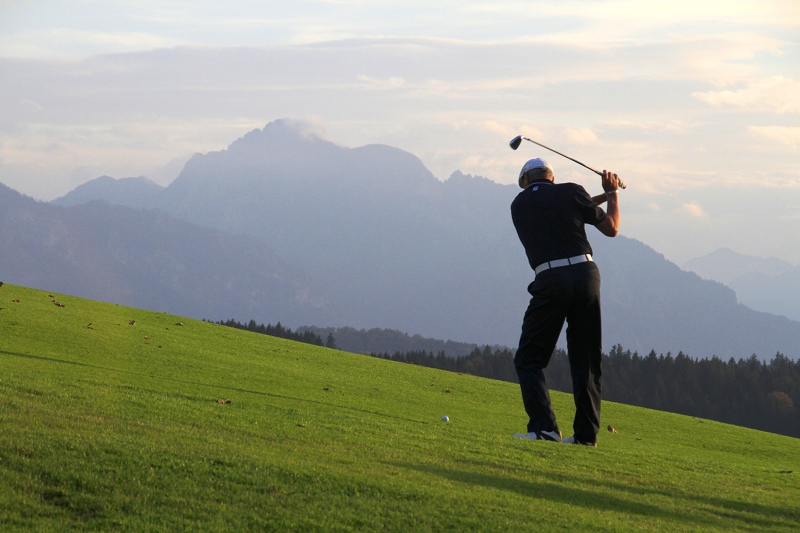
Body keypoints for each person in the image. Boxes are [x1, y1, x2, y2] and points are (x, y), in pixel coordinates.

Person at [510, 157, 621, 446]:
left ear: (526, 181)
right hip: (586, 275)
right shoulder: (573, 192)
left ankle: (545, 428)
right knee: (586, 360)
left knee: (529, 358)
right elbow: (612, 227)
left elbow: (566, 207)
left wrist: (600, 196)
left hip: (551, 279)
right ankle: (586, 436)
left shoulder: (519, 205)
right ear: (552, 177)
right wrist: (612, 194)